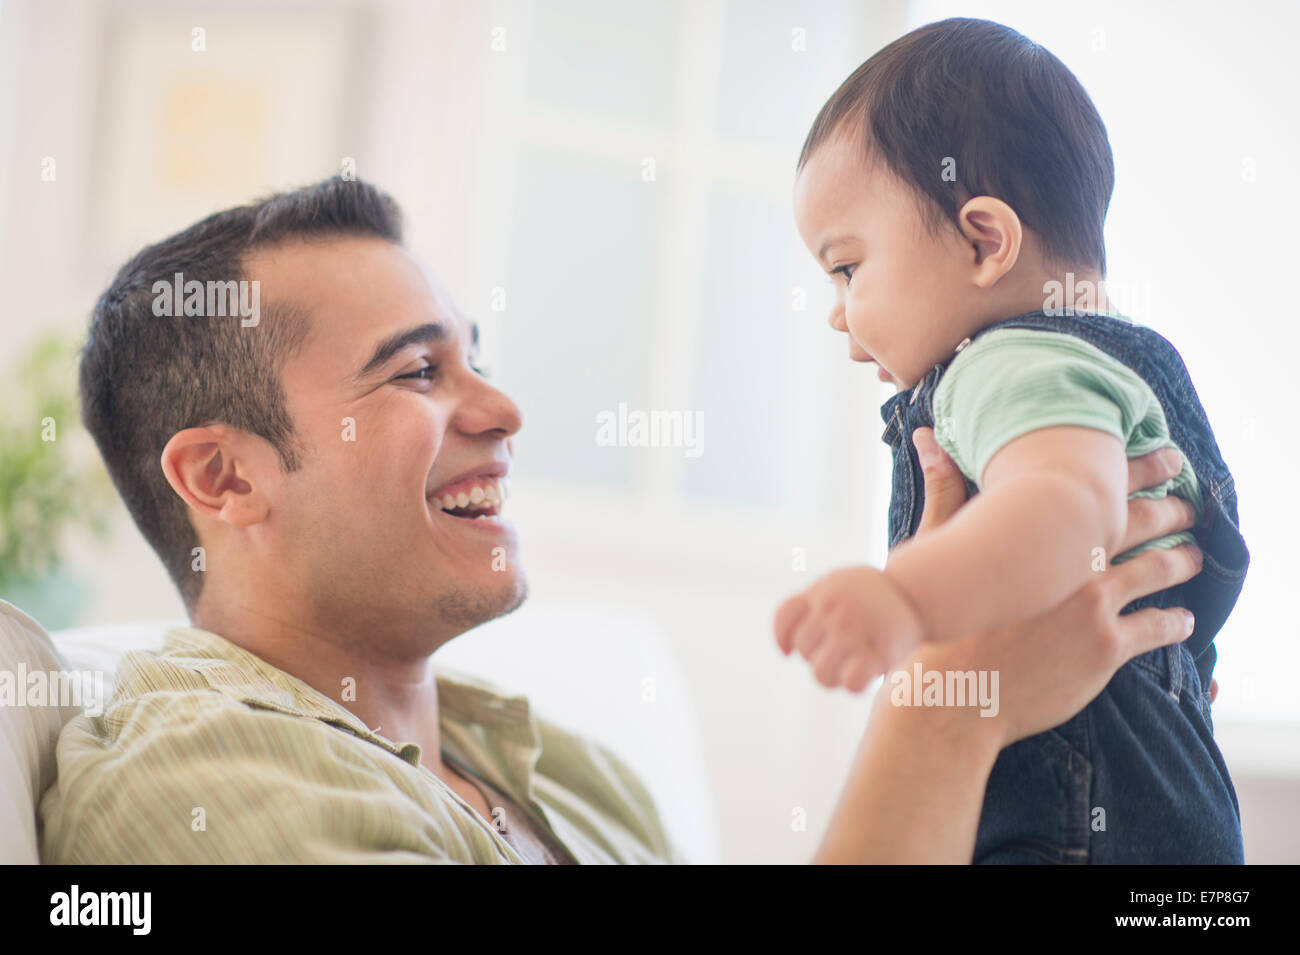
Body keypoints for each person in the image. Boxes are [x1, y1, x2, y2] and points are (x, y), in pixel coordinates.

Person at [37, 177, 1204, 864]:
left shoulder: (574, 774)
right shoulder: (205, 779)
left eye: (474, 361)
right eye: (414, 375)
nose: (500, 410)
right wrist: (954, 710)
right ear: (225, 479)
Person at [777, 18, 1248, 862]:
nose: (838, 313)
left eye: (848, 267)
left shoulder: (1010, 363)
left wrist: (909, 600)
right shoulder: (1115, 366)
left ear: (984, 241)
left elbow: (1068, 508)